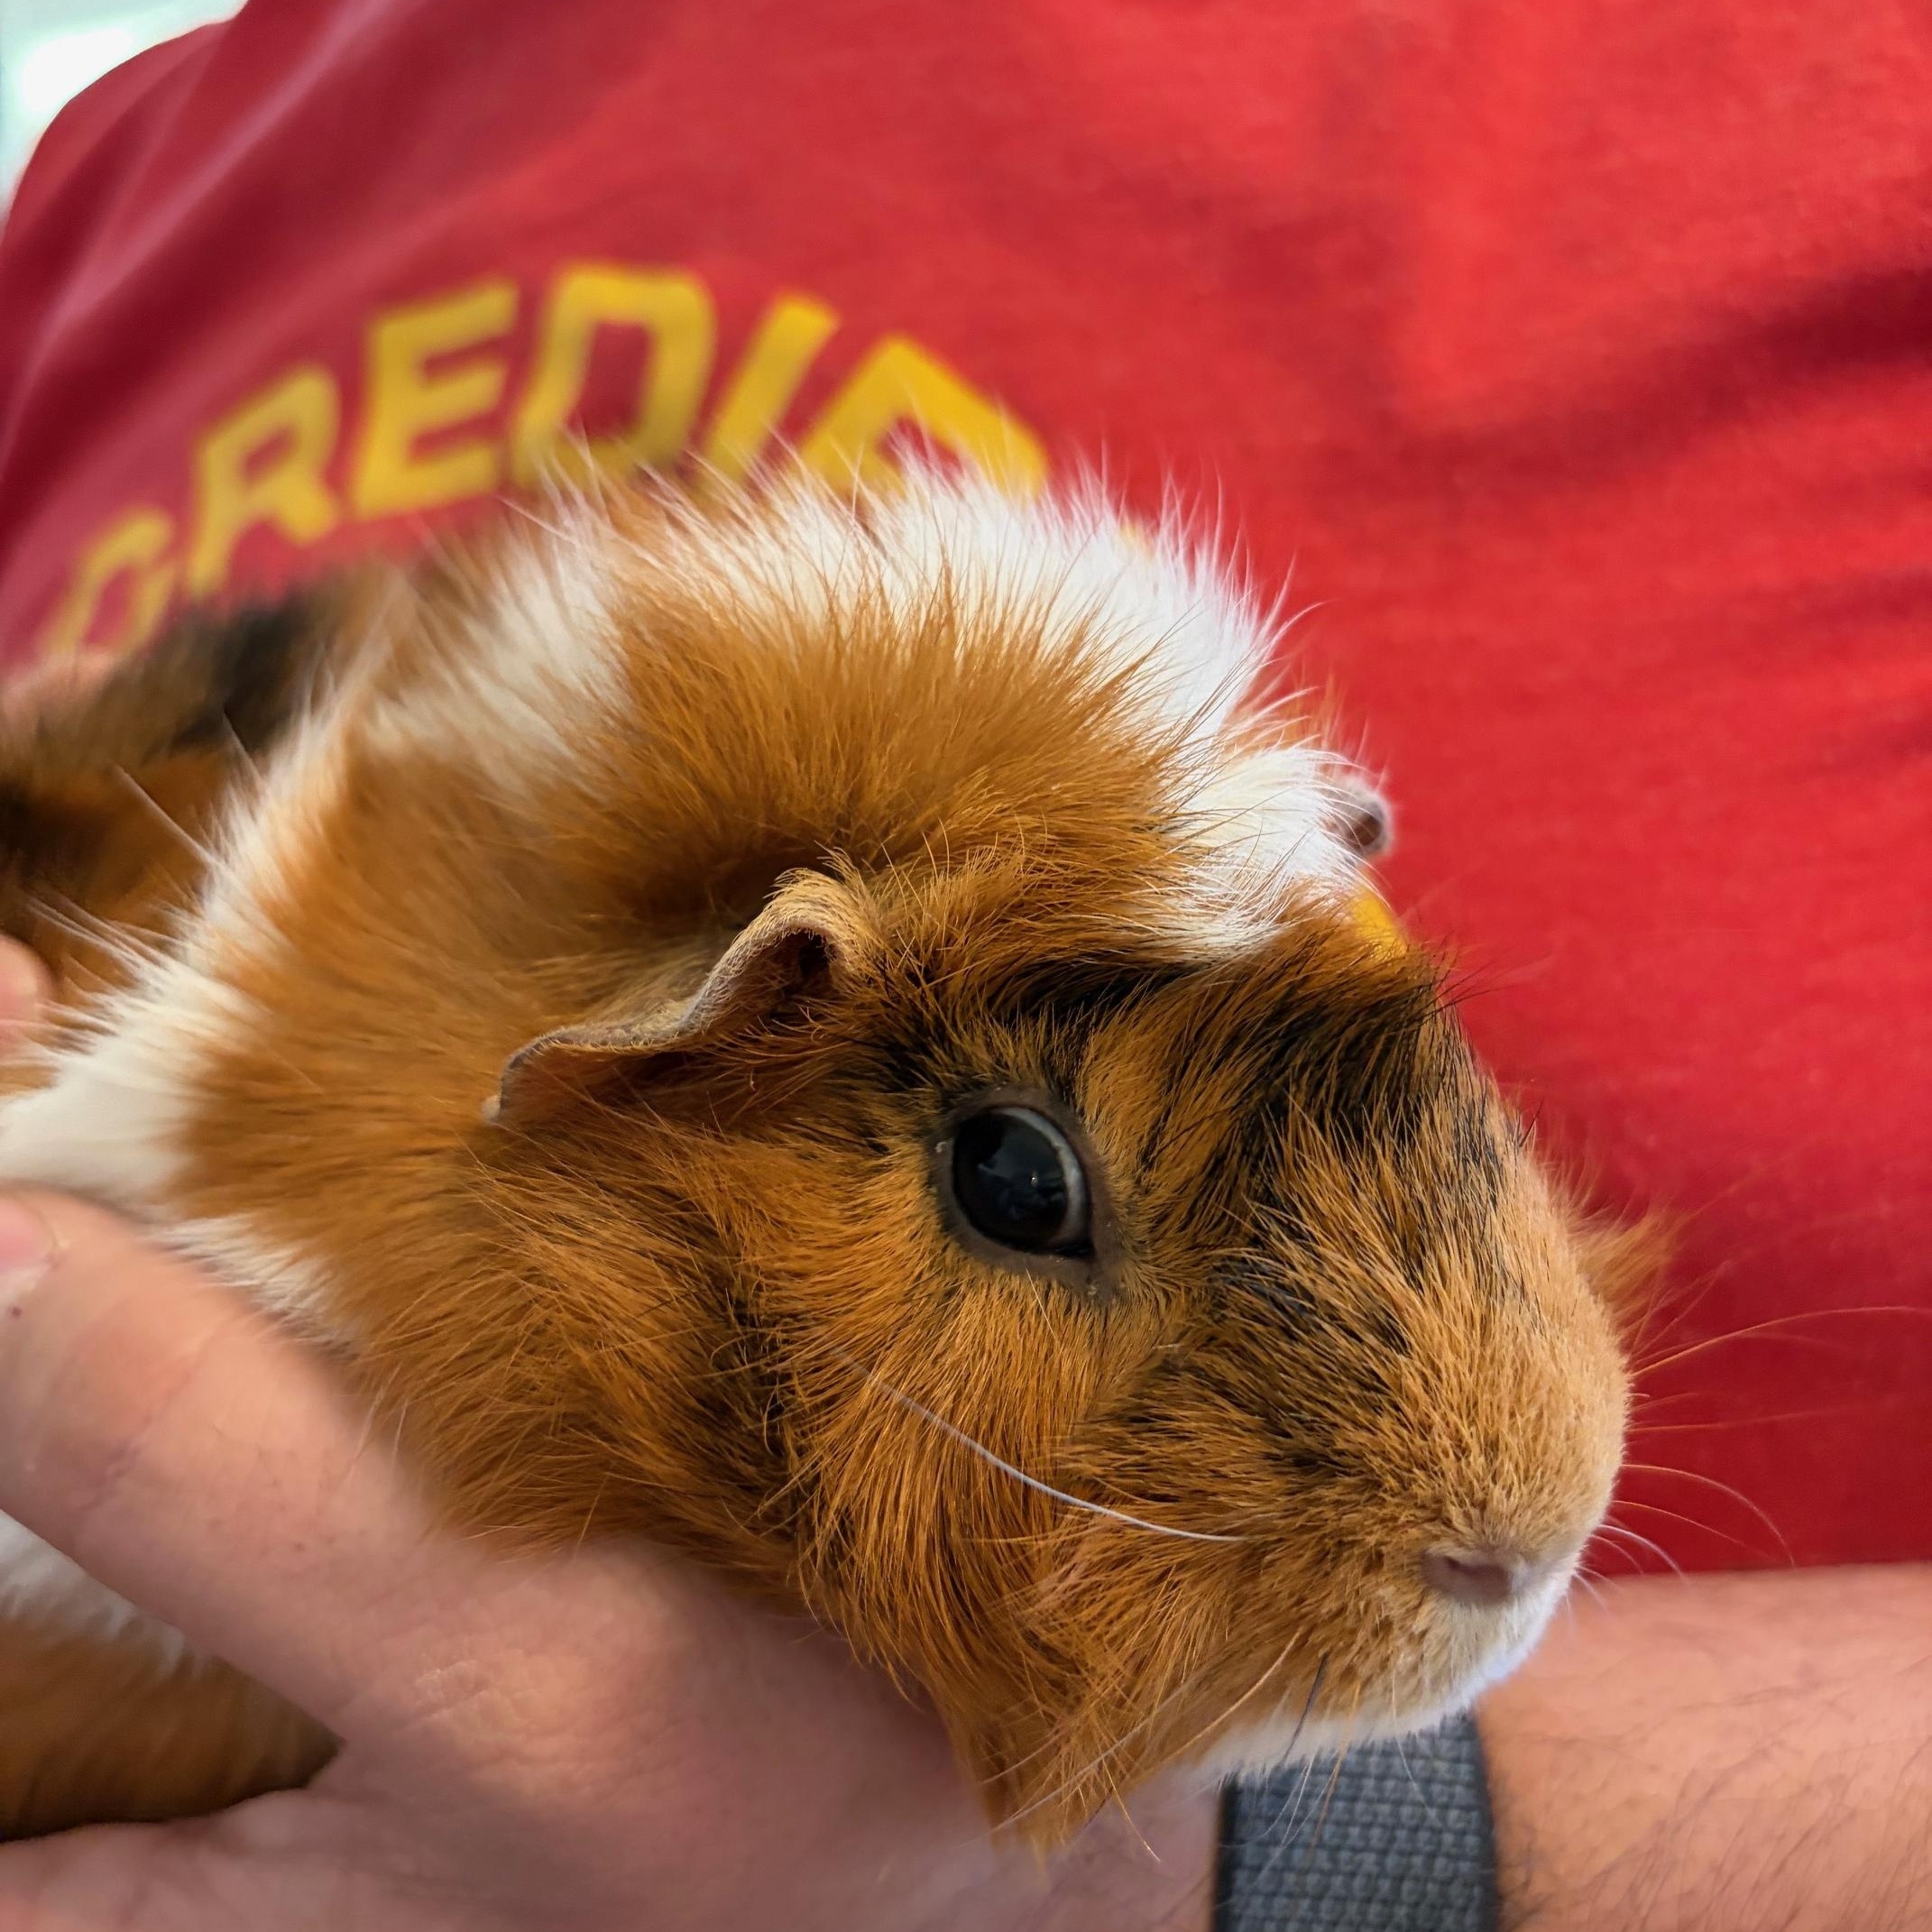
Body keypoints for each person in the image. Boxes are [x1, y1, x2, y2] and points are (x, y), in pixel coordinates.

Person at [0, 2, 1925, 1927]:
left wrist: (1276, 1871)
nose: (1527, 1499)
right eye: (1019, 1188)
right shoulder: (130, 161)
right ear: (686, 1034)